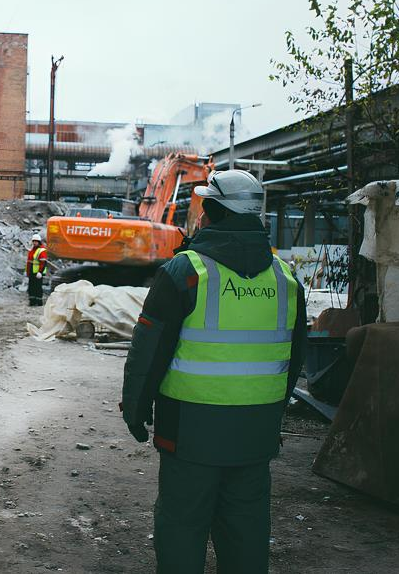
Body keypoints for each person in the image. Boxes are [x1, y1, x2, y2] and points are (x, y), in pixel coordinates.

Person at [121, 169, 307, 574]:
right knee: (246, 532)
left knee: (182, 528)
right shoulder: (287, 279)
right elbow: (294, 361)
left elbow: (148, 353)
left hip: (189, 433)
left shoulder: (185, 272)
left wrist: (135, 408)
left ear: (214, 212)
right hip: (255, 435)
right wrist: (272, 411)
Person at [26, 233, 48, 306]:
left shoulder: (41, 250)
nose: (34, 243)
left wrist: (40, 272)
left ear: (39, 242)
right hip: (32, 272)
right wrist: (27, 272)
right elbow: (29, 262)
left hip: (38, 273)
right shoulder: (32, 250)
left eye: (36, 241)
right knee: (31, 287)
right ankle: (32, 301)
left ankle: (39, 302)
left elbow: (43, 262)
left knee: (37, 288)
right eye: (33, 241)